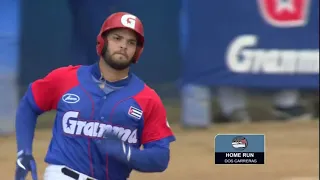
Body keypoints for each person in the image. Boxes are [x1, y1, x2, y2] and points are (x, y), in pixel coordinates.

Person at [15, 12, 176, 180]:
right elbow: (29, 104)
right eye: (117, 38)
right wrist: (23, 151)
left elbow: (161, 157)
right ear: (102, 41)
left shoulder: (147, 99)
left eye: (131, 42)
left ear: (137, 51)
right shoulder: (66, 78)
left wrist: (128, 154)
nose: (123, 46)